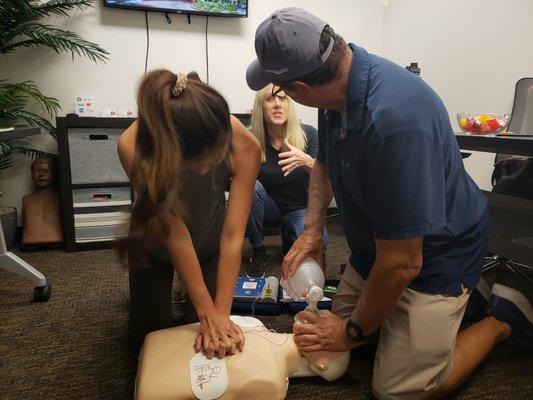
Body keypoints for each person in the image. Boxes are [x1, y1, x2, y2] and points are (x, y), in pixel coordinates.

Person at [246, 7, 532, 400]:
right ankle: (447, 309)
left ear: (300, 90)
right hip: (378, 248)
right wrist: (313, 229)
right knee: (325, 340)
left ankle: (502, 318)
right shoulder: (336, 89)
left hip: (438, 255)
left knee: (397, 389)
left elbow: (404, 263)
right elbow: (324, 165)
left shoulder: (396, 120)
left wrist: (351, 331)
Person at [117, 69, 261, 357]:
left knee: (204, 332)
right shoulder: (133, 147)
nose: (206, 171)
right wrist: (207, 310)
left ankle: (194, 299)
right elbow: (175, 232)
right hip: (155, 239)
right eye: (196, 166)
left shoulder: (246, 146)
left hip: (209, 235)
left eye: (215, 160)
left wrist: (219, 313)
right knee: (150, 339)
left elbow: (233, 236)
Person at [135, 316, 350, 400]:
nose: (323, 320)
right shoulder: (255, 324)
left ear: (321, 365)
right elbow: (210, 323)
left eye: (330, 340)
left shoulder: (270, 382)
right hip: (157, 352)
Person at [245, 84, 328, 277]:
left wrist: (307, 161)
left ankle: (289, 240)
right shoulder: (251, 139)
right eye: (270, 99)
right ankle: (258, 251)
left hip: (300, 209)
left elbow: (327, 178)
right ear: (260, 107)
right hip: (268, 208)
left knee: (320, 241)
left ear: (290, 105)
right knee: (250, 186)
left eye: (282, 98)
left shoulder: (309, 134)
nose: (277, 104)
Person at [21, 157, 63, 247]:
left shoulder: (61, 198)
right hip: (29, 245)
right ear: (31, 174)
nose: (41, 174)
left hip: (58, 243)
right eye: (37, 171)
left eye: (46, 171)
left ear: (54, 173)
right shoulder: (26, 200)